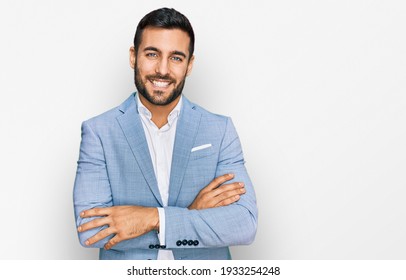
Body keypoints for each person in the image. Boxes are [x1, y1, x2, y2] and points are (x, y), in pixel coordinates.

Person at [73, 7, 257, 260]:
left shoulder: (219, 129)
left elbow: (244, 224)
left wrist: (153, 218)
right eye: (152, 54)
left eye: (176, 58)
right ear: (133, 56)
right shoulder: (100, 132)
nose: (162, 69)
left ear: (189, 65)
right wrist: (192, 213)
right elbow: (92, 231)